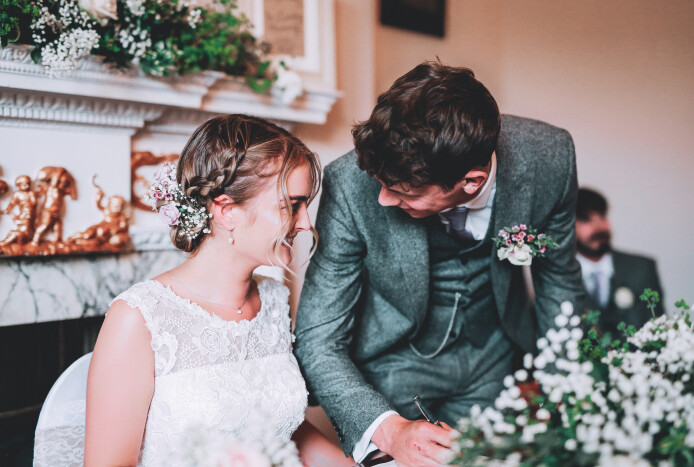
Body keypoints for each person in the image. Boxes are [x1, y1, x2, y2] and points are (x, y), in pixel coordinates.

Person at [294, 62, 586, 467]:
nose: (382, 201)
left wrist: (565, 398)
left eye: (401, 191)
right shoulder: (350, 184)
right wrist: (390, 429)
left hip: (494, 361)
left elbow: (561, 286)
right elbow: (317, 337)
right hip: (391, 368)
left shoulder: (549, 159)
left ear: (472, 181)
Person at [34, 115, 353, 466]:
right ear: (226, 210)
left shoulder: (274, 300)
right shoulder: (139, 318)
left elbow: (283, 428)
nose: (306, 222)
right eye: (292, 205)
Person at [576, 188, 664, 338]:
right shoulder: (558, 276)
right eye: (586, 219)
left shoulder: (642, 268)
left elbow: (658, 327)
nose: (599, 227)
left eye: (602, 216)